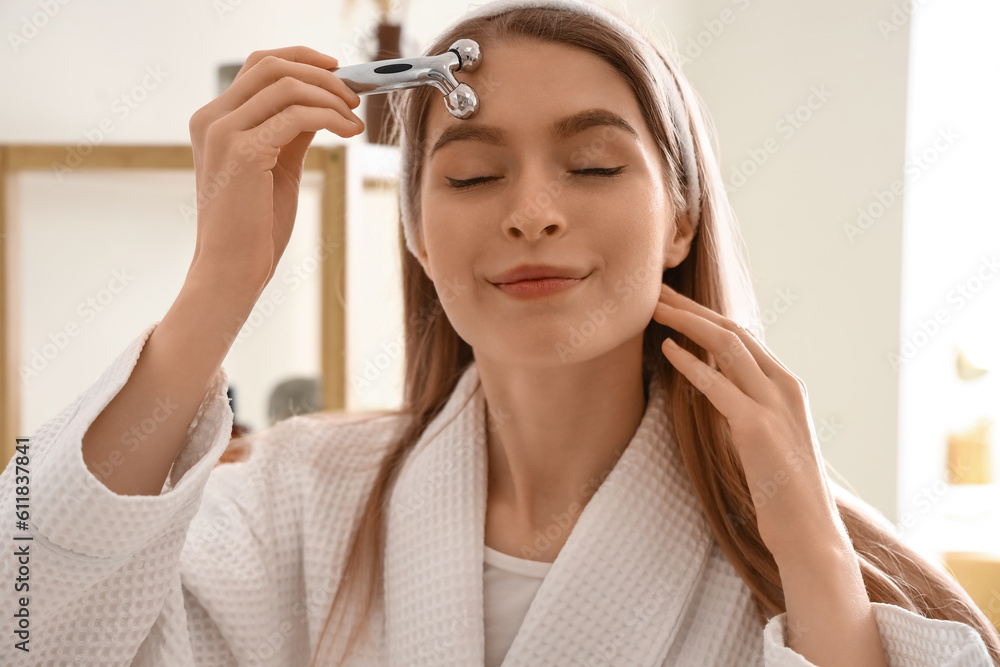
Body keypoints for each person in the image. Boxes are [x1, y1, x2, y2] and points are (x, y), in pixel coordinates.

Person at [1, 0, 998, 665]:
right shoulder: (294, 503)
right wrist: (216, 288)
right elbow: (26, 622)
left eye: (595, 166)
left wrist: (811, 554)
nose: (531, 212)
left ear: (681, 218)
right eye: (473, 176)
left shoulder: (795, 554)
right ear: (420, 238)